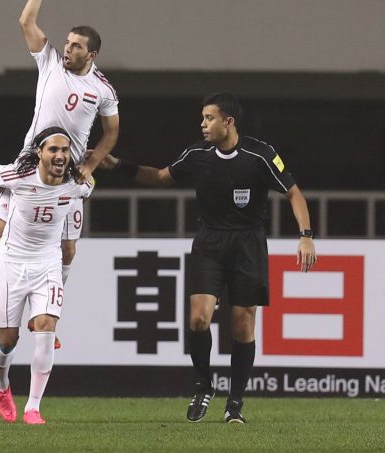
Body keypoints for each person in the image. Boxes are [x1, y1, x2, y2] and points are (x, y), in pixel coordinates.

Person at [95, 92, 316, 424]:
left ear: (228, 121)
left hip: (248, 244)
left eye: (209, 118)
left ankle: (235, 403)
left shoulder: (260, 154)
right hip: (210, 241)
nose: (202, 124)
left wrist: (306, 236)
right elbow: (159, 177)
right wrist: (117, 165)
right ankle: (203, 385)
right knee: (199, 318)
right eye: (202, 117)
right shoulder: (198, 154)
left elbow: (293, 192)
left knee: (242, 325)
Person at [0, 0, 120, 339]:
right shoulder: (50, 61)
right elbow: (25, 20)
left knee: (68, 249)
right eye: (68, 43)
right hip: (33, 162)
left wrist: (90, 163)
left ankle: (50, 310)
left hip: (68, 172)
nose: (68, 49)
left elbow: (111, 133)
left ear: (92, 53)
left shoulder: (103, 88)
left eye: (76, 46)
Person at [0, 127, 94, 425]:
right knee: (7, 341)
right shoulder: (18, 177)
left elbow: (88, 185)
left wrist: (89, 174)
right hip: (12, 263)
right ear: (39, 153)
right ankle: (1, 383)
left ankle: (33, 407)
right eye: (53, 150)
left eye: (64, 150)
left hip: (48, 264)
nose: (60, 155)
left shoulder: (76, 185)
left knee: (46, 329)